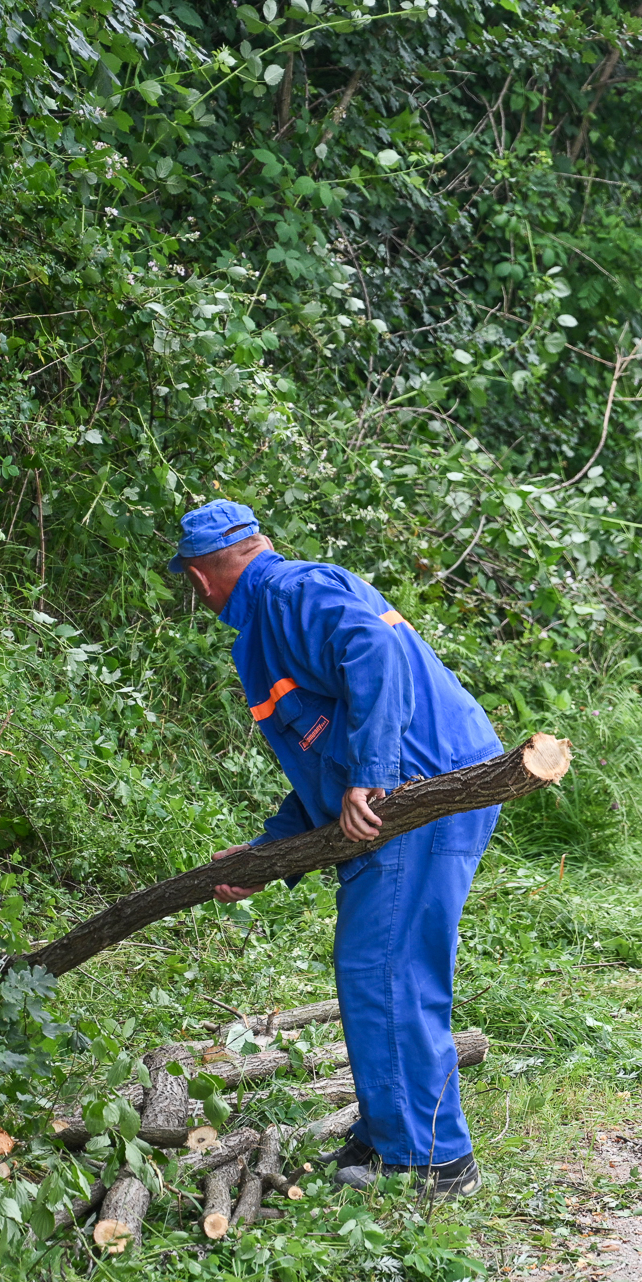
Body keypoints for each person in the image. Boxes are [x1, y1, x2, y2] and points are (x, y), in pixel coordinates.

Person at [177, 499, 500, 1198]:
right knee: (378, 967)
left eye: (194, 579)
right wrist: (266, 854)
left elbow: (375, 653)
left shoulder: (291, 592)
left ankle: (433, 1161)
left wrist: (373, 774)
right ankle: (389, 1135)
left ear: (203, 577)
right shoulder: (273, 616)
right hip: (415, 785)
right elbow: (326, 756)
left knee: (388, 968)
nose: (198, 592)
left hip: (421, 790)